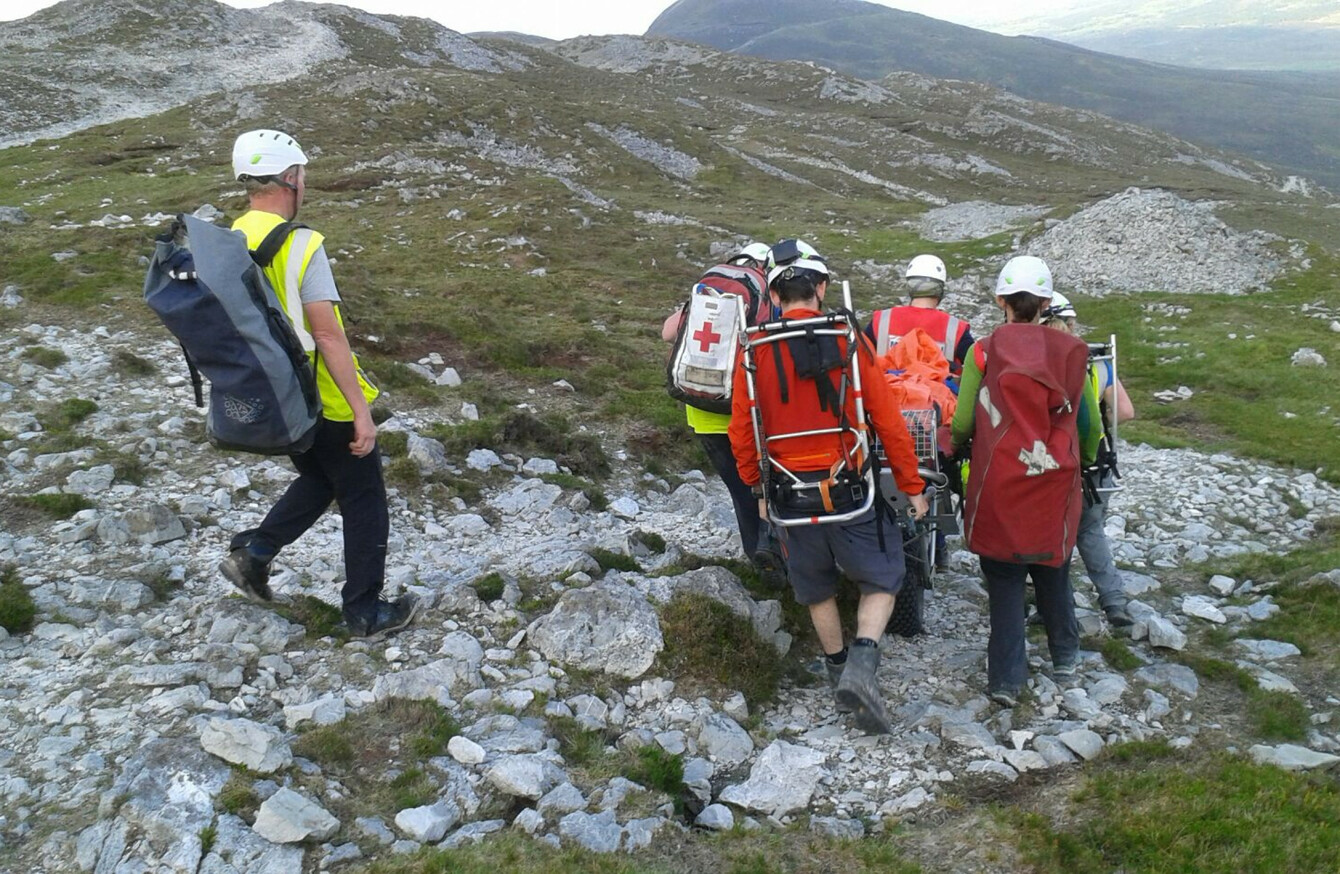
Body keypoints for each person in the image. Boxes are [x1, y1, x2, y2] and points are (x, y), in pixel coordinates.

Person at [218, 129, 417, 638]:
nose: (304, 182)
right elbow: (327, 336)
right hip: (321, 396)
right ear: (290, 178)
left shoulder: (227, 241)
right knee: (364, 495)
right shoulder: (301, 244)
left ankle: (255, 555)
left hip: (271, 395)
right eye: (302, 174)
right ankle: (365, 612)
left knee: (320, 477)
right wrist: (361, 411)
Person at [729, 239, 929, 733]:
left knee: (815, 586)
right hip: (848, 489)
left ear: (774, 295)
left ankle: (838, 670)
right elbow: (886, 418)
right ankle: (862, 666)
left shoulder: (753, 350)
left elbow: (742, 430)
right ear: (820, 287)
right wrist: (911, 484)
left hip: (787, 494)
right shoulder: (847, 337)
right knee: (884, 577)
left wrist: (756, 487)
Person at [950, 256, 1101, 707]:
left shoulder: (983, 352)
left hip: (1000, 479)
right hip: (1056, 478)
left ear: (1001, 301)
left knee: (1004, 574)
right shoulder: (1073, 353)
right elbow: (1088, 424)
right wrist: (1084, 462)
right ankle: (1066, 658)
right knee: (1054, 565)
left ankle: (1007, 680)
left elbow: (961, 420)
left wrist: (959, 445)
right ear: (1046, 303)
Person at [661, 243, 783, 577]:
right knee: (768, 486)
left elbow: (667, 333)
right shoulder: (762, 294)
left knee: (740, 490)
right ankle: (784, 562)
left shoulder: (708, 289)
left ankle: (759, 567)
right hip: (746, 412)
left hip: (701, 413)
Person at [1042, 292, 1136, 628]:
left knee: (1054, 536)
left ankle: (1053, 608)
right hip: (1095, 467)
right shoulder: (1098, 360)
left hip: (1051, 464)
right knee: (1091, 531)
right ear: (1071, 323)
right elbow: (1124, 413)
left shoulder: (1037, 359)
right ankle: (1114, 602)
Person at [865, 254, 974, 377]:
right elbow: (978, 367)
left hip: (886, 393)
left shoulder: (881, 321)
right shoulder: (956, 329)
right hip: (936, 394)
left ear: (909, 287)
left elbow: (859, 360)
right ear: (941, 290)